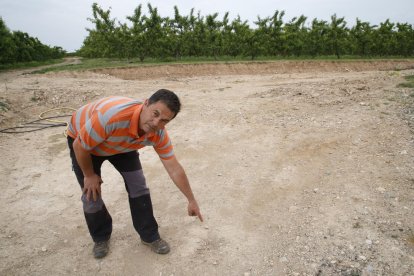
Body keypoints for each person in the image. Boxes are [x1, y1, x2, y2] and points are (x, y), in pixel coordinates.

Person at [66, 89, 203, 259]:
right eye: (155, 113)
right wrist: (89, 175)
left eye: (163, 121)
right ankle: (100, 237)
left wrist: (191, 199)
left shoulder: (157, 133)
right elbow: (80, 146)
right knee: (91, 193)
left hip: (122, 143)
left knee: (139, 186)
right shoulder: (111, 117)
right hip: (85, 143)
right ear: (145, 103)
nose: (155, 122)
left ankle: (149, 235)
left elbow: (174, 167)